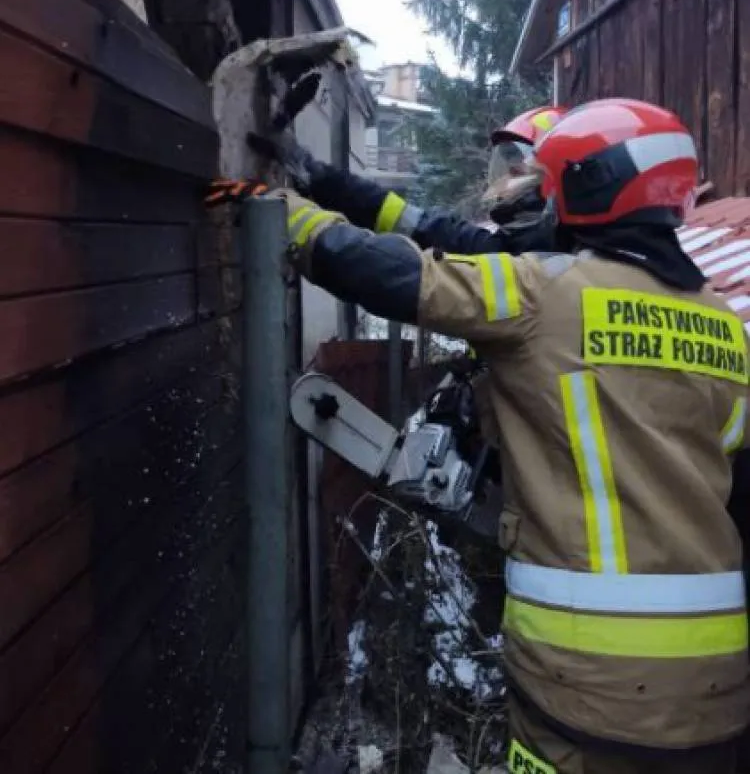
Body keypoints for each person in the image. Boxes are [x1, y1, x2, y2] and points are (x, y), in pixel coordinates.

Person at [252, 99, 749, 772]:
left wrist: (289, 215)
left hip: (587, 678)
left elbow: (400, 275)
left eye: (554, 185)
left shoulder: (545, 291)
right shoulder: (722, 322)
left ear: (590, 188)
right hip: (718, 687)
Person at [244, 104, 568, 257]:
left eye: (521, 172)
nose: (506, 184)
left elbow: (387, 274)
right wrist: (316, 175)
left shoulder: (533, 268)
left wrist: (286, 212)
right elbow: (413, 221)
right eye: (507, 169)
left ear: (554, 186)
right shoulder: (509, 248)